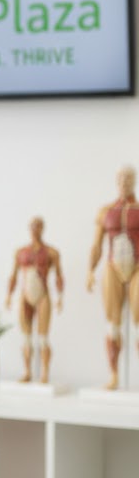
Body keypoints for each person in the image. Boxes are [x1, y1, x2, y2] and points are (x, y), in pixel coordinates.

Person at [86, 164, 139, 389]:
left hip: (137, 266)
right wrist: (90, 270)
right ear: (116, 182)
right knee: (113, 322)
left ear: (134, 180)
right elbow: (97, 244)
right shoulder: (105, 211)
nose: (124, 182)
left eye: (128, 178)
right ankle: (114, 375)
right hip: (112, 266)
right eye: (121, 179)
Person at [4, 216, 64, 384]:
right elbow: (13, 276)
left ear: (42, 228)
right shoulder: (21, 252)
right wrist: (9, 295)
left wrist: (60, 297)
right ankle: (28, 371)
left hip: (42, 294)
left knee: (43, 337)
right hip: (25, 295)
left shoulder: (51, 252)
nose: (35, 229)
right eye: (32, 226)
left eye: (38, 226)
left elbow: (59, 275)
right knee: (26, 337)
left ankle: (44, 373)